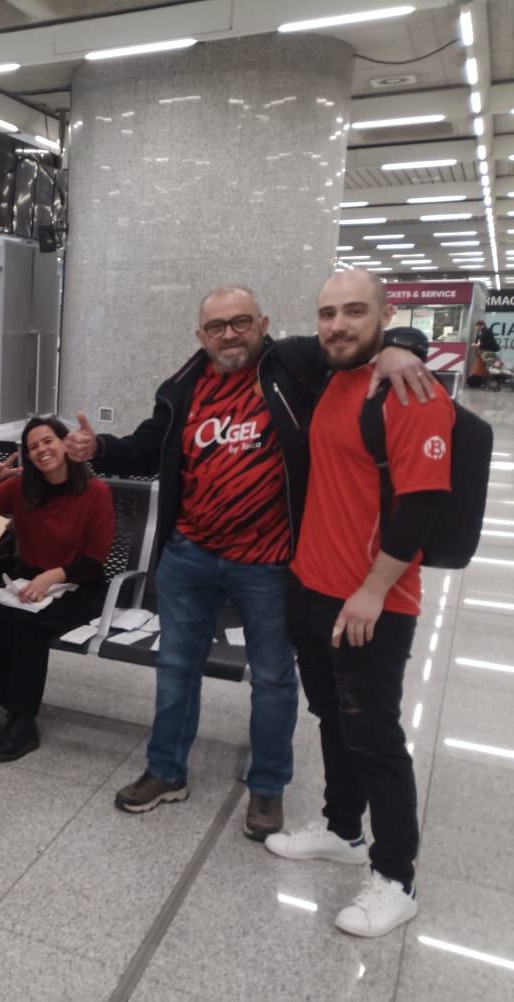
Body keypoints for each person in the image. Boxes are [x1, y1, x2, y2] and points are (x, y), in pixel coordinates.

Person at [66, 286, 434, 841]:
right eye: (217, 327)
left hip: (268, 562)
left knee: (273, 680)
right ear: (200, 336)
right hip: (190, 556)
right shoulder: (182, 388)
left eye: (241, 323)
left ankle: (267, 787)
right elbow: (148, 449)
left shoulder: (294, 365)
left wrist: (404, 343)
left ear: (263, 323)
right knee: (176, 670)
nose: (230, 335)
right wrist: (101, 451)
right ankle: (166, 772)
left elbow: (351, 341)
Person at [268, 270, 452, 938]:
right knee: (330, 718)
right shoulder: (334, 380)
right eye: (327, 313)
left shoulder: (409, 390)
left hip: (374, 600)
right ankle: (343, 829)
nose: (337, 325)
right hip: (313, 587)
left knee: (374, 735)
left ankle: (395, 877)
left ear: (385, 314)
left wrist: (374, 589)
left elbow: (423, 503)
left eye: (354, 312)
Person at [0, 416, 115, 762]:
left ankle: (23, 721)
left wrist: (51, 577)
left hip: (80, 586)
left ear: (65, 444)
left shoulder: (95, 492)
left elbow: (95, 559)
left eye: (48, 441)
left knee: (30, 625)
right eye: (33, 447)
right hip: (28, 581)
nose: (41, 450)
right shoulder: (22, 489)